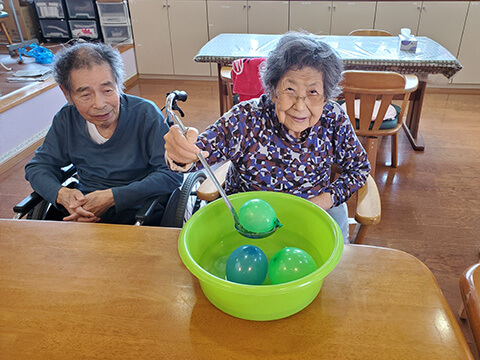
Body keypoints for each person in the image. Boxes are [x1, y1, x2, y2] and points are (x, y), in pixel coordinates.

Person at [164, 31, 371, 242]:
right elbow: (198, 153)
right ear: (272, 92)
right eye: (289, 89)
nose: (300, 106)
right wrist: (181, 153)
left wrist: (322, 201)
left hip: (310, 218)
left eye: (313, 92)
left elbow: (359, 168)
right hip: (248, 224)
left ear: (326, 96)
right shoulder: (246, 118)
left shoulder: (333, 118)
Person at [25, 42, 183, 225]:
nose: (99, 104)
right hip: (81, 207)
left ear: (118, 83)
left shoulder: (145, 115)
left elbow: (172, 174)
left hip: (137, 208)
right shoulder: (66, 120)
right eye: (85, 95)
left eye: (107, 90)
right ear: (67, 93)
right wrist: (62, 195)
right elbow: (37, 167)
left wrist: (112, 197)